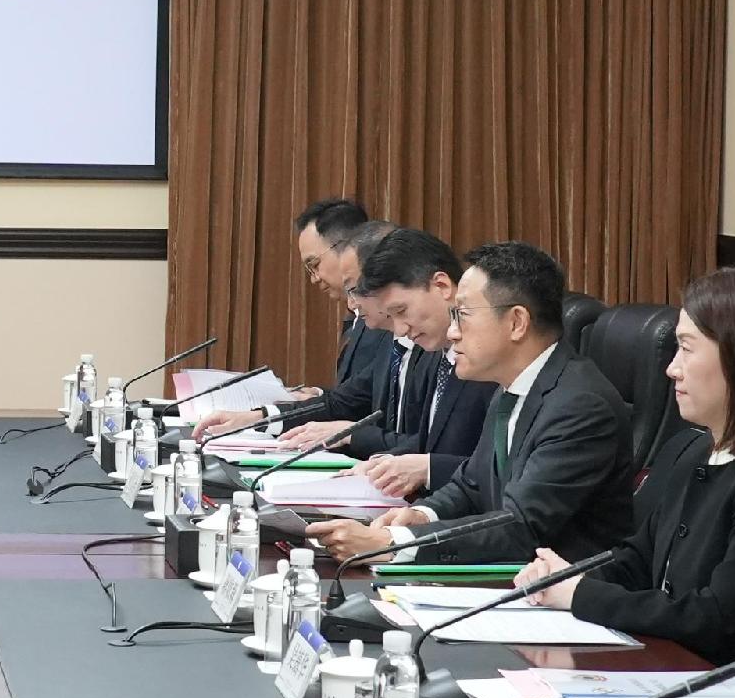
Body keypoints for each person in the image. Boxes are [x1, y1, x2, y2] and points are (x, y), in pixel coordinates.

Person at [520, 267, 735, 698]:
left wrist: (581, 595)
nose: (672, 369)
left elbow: (715, 617)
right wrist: (563, 576)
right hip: (675, 676)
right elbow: (637, 561)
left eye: (687, 349)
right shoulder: (691, 450)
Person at [319, 243, 632, 569]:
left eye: (462, 315)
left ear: (517, 322)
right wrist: (422, 515)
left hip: (558, 590)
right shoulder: (511, 389)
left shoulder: (579, 406)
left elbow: (519, 526)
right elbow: (472, 485)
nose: (452, 332)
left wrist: (393, 544)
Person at [184, 197, 383, 439]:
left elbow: (360, 406)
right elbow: (356, 395)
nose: (314, 278)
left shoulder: (385, 320)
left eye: (314, 264)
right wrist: (317, 395)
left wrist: (261, 418)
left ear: (348, 248)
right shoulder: (360, 315)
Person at [339, 225, 489, 500]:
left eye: (402, 311)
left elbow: (502, 470)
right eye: (392, 316)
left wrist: (427, 470)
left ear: (442, 286)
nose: (400, 329)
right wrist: (383, 464)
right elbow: (428, 443)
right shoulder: (433, 354)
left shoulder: (491, 360)